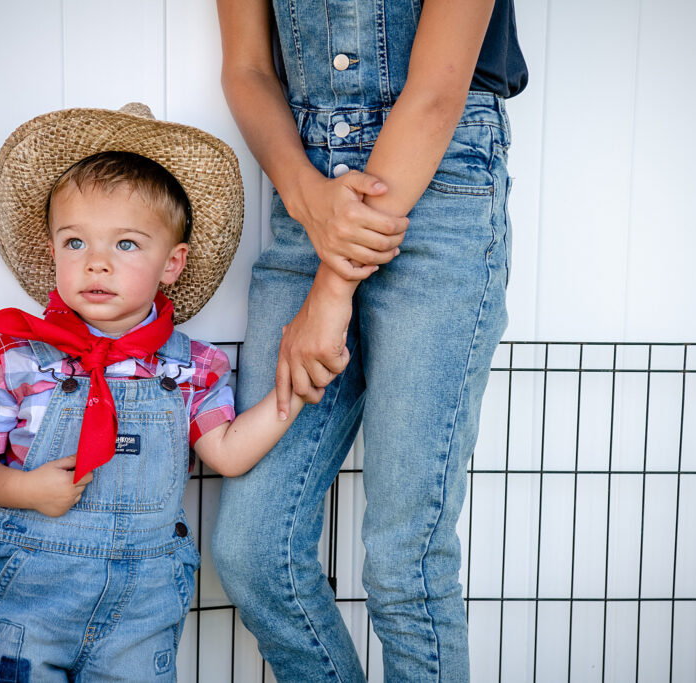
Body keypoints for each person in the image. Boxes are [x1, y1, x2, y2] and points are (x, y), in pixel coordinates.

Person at [211, 1, 528, 680]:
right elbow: (245, 69)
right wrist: (306, 196)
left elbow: (438, 90)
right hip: (310, 194)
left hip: (441, 188)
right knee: (252, 548)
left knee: (403, 566)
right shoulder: (309, 200)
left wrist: (332, 286)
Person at [0, 104, 309, 681]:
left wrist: (292, 390)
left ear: (172, 264)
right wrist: (24, 488)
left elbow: (230, 452)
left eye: (128, 245)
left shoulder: (192, 369)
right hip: (34, 598)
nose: (98, 264)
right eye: (76, 242)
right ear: (52, 249)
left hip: (144, 605)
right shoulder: (8, 360)